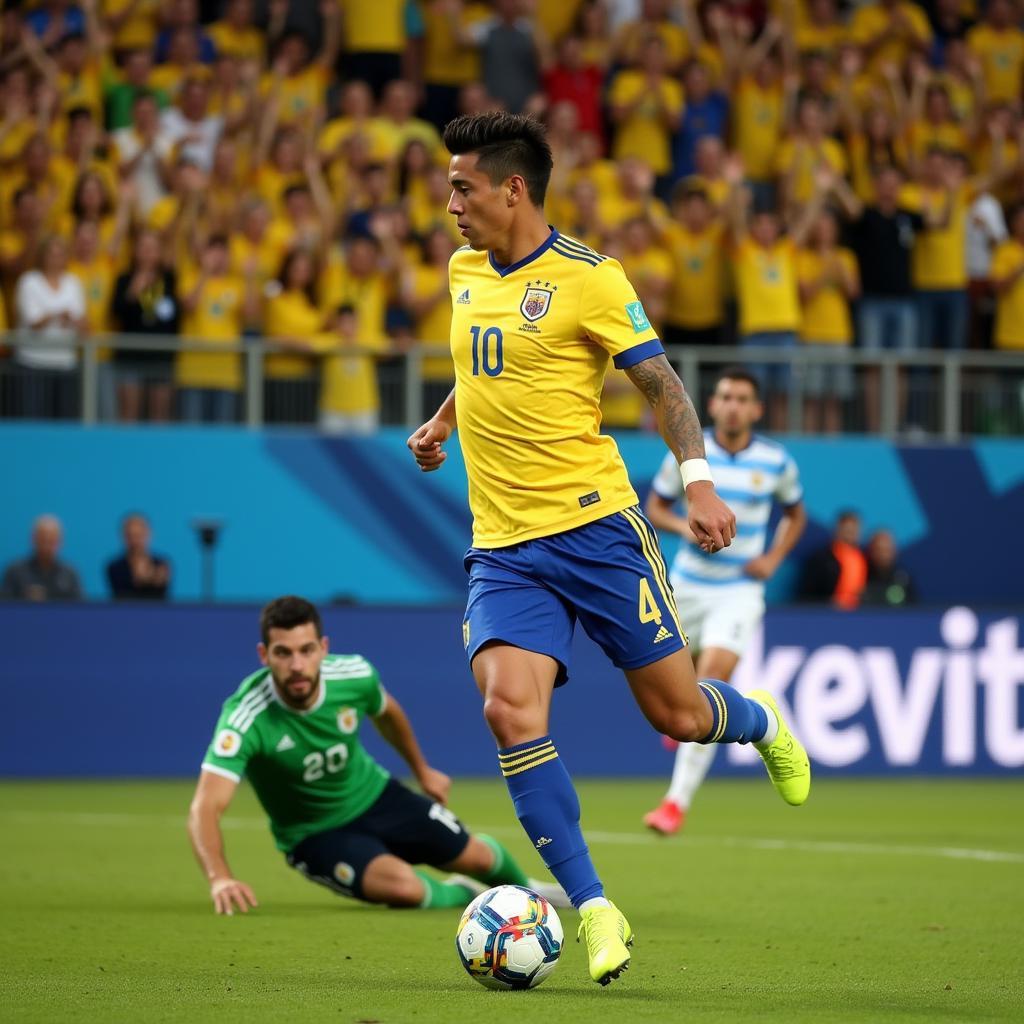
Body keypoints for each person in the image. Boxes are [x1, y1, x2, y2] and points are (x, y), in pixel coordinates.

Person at [406, 112, 811, 987]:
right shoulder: (463, 270)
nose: (451, 205)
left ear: (514, 188)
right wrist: (442, 422)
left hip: (597, 533)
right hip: (505, 548)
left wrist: (697, 479)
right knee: (509, 712)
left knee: (675, 716)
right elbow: (485, 365)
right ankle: (591, 904)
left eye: (463, 187)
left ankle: (759, 719)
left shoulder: (591, 279)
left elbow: (660, 382)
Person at [187, 596, 566, 914]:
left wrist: (422, 770)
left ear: (323, 648)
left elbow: (388, 713)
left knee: (480, 858)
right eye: (283, 653)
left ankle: (527, 892)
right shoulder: (245, 718)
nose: (297, 665)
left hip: (376, 796)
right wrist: (220, 877)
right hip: (314, 834)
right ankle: (468, 895)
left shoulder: (354, 676)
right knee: (405, 890)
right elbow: (205, 807)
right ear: (264, 655)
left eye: (306, 650)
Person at [643, 368, 807, 836]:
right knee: (676, 685)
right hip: (686, 585)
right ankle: (684, 705)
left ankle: (674, 804)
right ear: (711, 406)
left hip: (738, 590)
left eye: (742, 399)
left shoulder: (776, 462)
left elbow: (796, 515)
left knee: (709, 684)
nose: (733, 405)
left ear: (756, 409)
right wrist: (683, 527)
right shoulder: (691, 456)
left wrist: (773, 557)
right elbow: (655, 507)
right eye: (725, 397)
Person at [1, 515, 82, 602]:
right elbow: (5, 608)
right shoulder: (15, 572)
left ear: (60, 541)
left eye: (51, 540)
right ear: (33, 539)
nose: (46, 546)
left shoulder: (69, 574)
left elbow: (79, 609)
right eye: (43, 539)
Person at [799, 510, 868, 609]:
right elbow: (809, 594)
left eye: (854, 531)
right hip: (829, 613)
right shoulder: (821, 559)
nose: (851, 535)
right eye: (847, 530)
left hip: (858, 614)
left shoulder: (864, 558)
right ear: (837, 530)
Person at [106, 512, 171, 601]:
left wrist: (147, 578)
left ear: (148, 535)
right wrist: (145, 578)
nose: (135, 541)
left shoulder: (162, 564)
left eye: (139, 536)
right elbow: (121, 593)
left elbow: (161, 591)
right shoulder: (114, 567)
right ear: (123, 536)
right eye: (131, 536)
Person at [862, 529, 915, 606]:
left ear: (894, 551)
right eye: (878, 549)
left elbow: (914, 609)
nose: (882, 554)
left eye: (887, 550)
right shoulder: (861, 576)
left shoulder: (904, 577)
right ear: (871, 550)